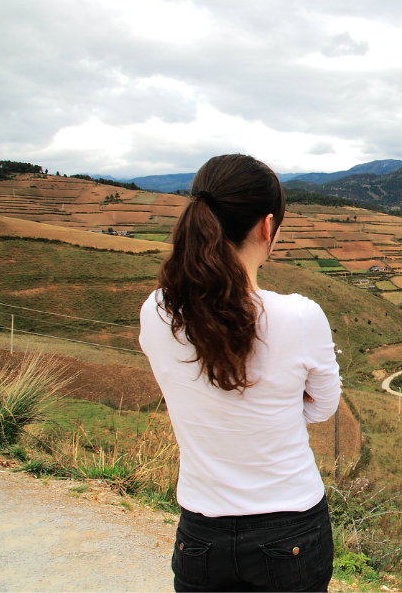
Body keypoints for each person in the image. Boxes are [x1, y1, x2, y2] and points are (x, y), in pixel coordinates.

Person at [139, 154, 341, 592]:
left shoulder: (157, 311)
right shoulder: (299, 316)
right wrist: (278, 408)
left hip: (201, 532)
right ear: (267, 227)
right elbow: (323, 408)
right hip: (290, 529)